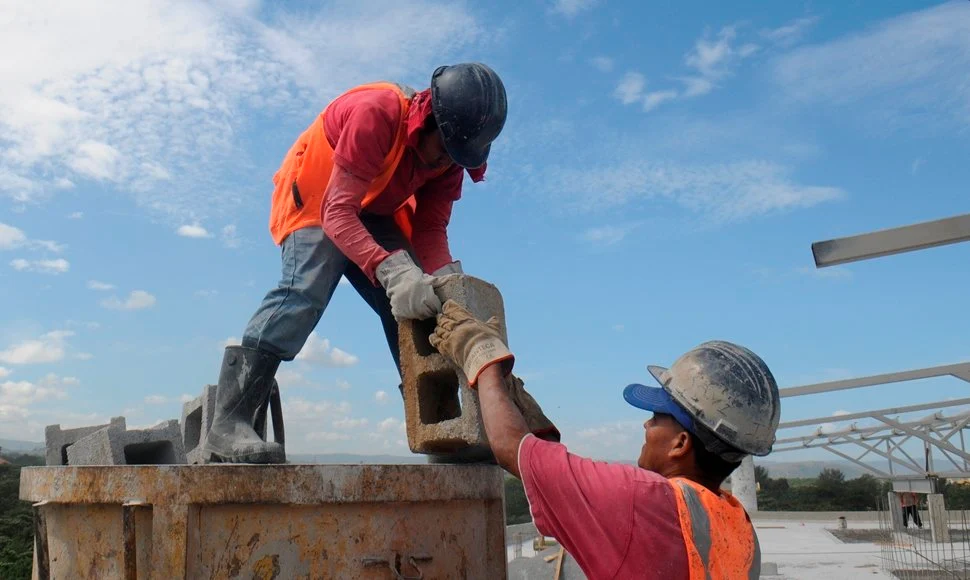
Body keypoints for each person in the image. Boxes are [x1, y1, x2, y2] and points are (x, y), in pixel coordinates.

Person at [203, 63, 508, 464]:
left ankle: (442, 431)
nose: (445, 163)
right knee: (306, 290)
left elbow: (430, 231)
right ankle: (230, 423)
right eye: (445, 151)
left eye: (457, 157)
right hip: (319, 199)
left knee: (418, 306)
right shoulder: (376, 114)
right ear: (431, 122)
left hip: (370, 208)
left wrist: (448, 284)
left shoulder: (450, 159)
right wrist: (391, 270)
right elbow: (337, 214)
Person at [429, 300, 783, 579]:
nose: (646, 426)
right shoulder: (737, 527)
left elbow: (511, 448)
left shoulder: (645, 500)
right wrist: (520, 409)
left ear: (680, 444)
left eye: (656, 417)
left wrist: (480, 354)